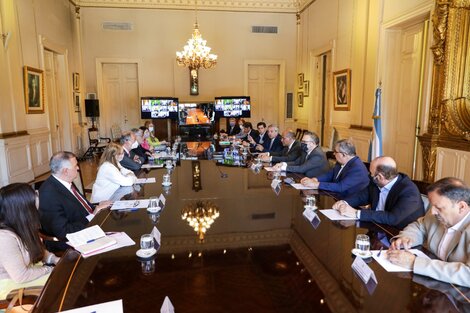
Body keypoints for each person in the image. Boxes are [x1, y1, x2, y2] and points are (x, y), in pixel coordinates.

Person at [387, 177, 470, 287]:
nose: (432, 211)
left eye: (438, 207)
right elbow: (419, 226)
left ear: (461, 207)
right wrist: (407, 237)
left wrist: (414, 263)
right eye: (432, 205)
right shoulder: (437, 215)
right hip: (436, 285)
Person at [38, 152, 112, 251]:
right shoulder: (49, 194)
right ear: (65, 171)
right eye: (75, 165)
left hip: (87, 227)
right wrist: (92, 216)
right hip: (70, 241)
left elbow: (81, 206)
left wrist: (97, 207)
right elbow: (63, 232)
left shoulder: (66, 182)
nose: (78, 168)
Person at [332, 156, 425, 229]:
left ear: (380, 176)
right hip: (377, 227)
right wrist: (344, 202)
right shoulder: (376, 182)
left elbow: (393, 218)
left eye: (371, 174)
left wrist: (356, 213)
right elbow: (362, 196)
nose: (369, 176)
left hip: (398, 235)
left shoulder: (409, 191)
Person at [0, 183, 59, 284]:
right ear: (23, 208)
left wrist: (54, 259)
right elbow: (21, 276)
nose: (37, 195)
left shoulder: (24, 225)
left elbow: (37, 251)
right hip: (11, 286)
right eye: (34, 196)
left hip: (30, 274)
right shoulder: (4, 238)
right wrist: (49, 270)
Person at [300, 139, 369, 198]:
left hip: (349, 200)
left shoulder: (357, 168)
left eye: (335, 152)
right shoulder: (341, 161)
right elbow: (330, 174)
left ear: (344, 155)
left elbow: (340, 187)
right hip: (335, 195)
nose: (333, 154)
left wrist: (316, 184)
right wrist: (314, 179)